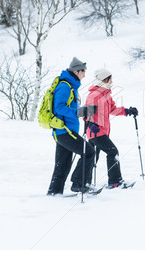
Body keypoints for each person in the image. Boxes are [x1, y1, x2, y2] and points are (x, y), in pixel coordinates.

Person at [47, 57, 96, 195]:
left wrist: (86, 110)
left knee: (62, 164)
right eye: (83, 72)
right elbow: (59, 108)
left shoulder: (71, 86)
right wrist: (78, 112)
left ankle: (54, 192)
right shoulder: (64, 86)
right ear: (76, 72)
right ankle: (79, 184)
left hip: (64, 131)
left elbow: (73, 108)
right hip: (64, 131)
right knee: (89, 152)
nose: (84, 75)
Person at [85, 68, 138, 188]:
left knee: (93, 157)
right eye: (110, 79)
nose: (112, 81)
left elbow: (112, 110)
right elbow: (87, 113)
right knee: (112, 151)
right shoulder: (94, 96)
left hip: (102, 131)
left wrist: (127, 111)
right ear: (104, 80)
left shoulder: (106, 95)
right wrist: (91, 124)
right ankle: (115, 181)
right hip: (95, 131)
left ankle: (85, 182)